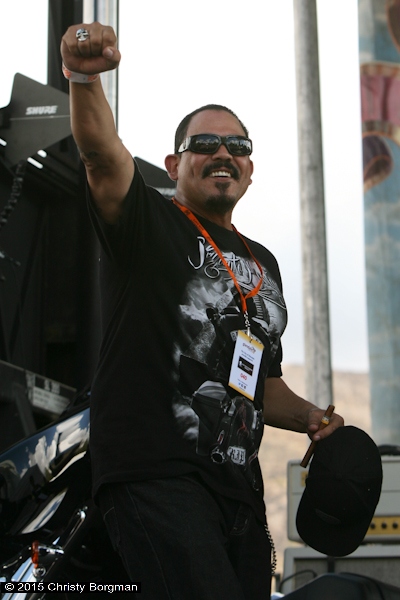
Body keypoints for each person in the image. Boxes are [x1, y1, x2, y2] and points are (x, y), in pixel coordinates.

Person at [60, 22, 344, 600]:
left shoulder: (263, 264)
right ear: (174, 164)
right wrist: (83, 78)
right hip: (155, 476)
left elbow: (259, 382)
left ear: (250, 169)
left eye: (238, 147)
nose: (223, 154)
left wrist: (313, 418)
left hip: (237, 490)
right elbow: (100, 156)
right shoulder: (148, 221)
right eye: (206, 144)